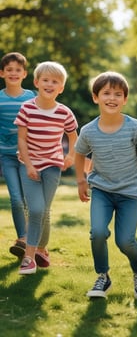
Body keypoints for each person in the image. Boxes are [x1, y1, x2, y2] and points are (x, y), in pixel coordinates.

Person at [74, 71, 137, 300]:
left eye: (117, 94)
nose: (112, 98)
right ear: (95, 97)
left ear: (125, 99)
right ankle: (103, 276)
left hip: (130, 193)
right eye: (106, 93)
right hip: (102, 190)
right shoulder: (89, 130)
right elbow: (78, 154)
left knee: (125, 241)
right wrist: (81, 180)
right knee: (98, 233)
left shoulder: (135, 127)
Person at [14, 61, 78, 274]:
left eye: (55, 81)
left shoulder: (64, 113)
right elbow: (21, 140)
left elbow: (73, 135)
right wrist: (29, 165)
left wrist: (70, 155)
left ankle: (42, 249)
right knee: (36, 209)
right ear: (36, 82)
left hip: (52, 165)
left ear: (61, 88)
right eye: (46, 80)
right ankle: (29, 257)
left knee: (44, 210)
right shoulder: (27, 108)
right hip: (29, 164)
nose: (50, 84)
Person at [0, 52, 36, 258]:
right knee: (15, 198)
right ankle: (22, 238)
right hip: (7, 155)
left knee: (30, 199)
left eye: (17, 70)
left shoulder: (31, 97)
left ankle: (34, 239)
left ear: (24, 74)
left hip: (28, 156)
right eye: (9, 70)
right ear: (2, 73)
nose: (13, 73)